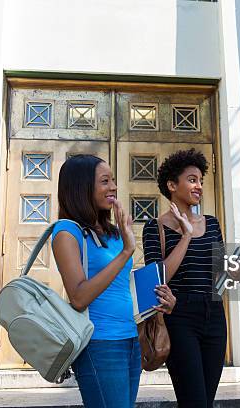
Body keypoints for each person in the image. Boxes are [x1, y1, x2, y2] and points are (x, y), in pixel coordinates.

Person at [51, 154, 176, 408]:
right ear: (82, 187)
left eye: (114, 180)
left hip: (130, 339)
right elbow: (78, 297)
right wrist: (126, 252)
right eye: (105, 181)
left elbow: (120, 288)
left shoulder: (114, 232)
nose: (114, 187)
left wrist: (161, 302)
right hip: (99, 344)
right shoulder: (67, 233)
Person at [142, 148, 228, 408]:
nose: (199, 186)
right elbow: (157, 279)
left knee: (206, 402)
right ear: (171, 185)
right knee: (194, 403)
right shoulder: (154, 227)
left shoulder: (212, 223)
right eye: (192, 179)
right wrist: (187, 235)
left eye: (200, 180)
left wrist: (233, 270)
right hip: (178, 318)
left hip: (214, 316)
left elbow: (222, 277)